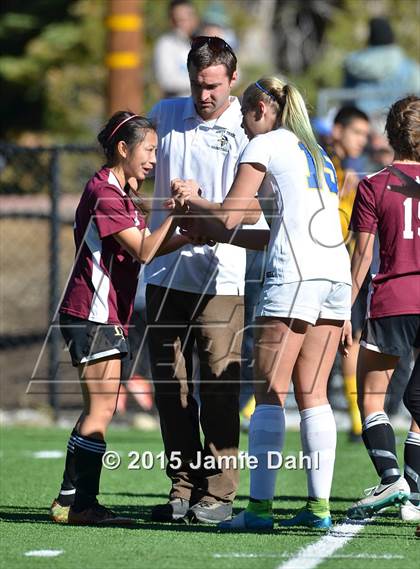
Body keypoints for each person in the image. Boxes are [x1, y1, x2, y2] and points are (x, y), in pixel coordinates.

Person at [175, 76, 352, 530]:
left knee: (269, 393)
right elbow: (269, 231)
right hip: (334, 278)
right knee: (313, 395)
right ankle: (318, 509)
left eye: (244, 116)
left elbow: (233, 211)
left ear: (260, 108)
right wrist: (211, 230)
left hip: (292, 279)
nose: (243, 125)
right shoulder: (317, 154)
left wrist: (195, 201)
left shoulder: (266, 143)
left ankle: (258, 511)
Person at [49, 112, 190, 525]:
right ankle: (82, 507)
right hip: (92, 313)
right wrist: (179, 217)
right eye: (148, 149)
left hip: (101, 312)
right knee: (101, 409)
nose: (153, 159)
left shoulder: (118, 190)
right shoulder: (106, 193)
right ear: (123, 149)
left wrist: (181, 234)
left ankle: (69, 499)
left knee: (99, 407)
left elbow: (142, 243)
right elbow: (144, 250)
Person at [145, 36, 251, 525]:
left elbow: (247, 208)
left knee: (220, 385)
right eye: (196, 84)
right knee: (171, 386)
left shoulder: (247, 127)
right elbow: (133, 164)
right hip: (165, 269)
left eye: (211, 86)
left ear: (232, 79)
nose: (202, 95)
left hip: (222, 274)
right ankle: (181, 485)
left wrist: (202, 202)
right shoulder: (165, 113)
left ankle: (221, 492)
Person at [346, 95, 420, 522]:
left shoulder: (374, 185)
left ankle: (392, 478)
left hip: (391, 300)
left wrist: (341, 311)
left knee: (372, 397)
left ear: (390, 135)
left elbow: (361, 261)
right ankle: (412, 490)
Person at [327, 106, 370, 440]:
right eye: (357, 132)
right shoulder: (323, 162)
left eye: (365, 136)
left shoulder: (356, 171)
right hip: (318, 262)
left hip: (345, 264)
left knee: (350, 339)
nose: (361, 141)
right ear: (338, 130)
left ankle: (358, 420)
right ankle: (253, 407)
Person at [343, 17, 420, 114]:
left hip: (361, 122)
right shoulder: (409, 67)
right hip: (398, 121)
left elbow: (345, 96)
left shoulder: (354, 64)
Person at [153, 0, 199, 98]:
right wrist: (202, 79)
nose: (180, 24)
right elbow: (166, 80)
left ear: (194, 19)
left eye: (184, 19)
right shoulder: (165, 44)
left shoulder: (204, 42)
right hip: (178, 105)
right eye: (176, 20)